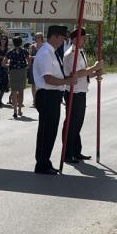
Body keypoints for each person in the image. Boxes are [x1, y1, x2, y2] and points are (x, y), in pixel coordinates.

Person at [31, 25, 83, 175]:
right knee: (47, 131)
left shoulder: (51, 52)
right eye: (62, 38)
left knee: (50, 131)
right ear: (54, 36)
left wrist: (67, 79)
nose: (63, 41)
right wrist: (67, 81)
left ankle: (45, 162)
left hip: (52, 95)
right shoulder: (45, 53)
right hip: (47, 95)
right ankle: (42, 164)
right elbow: (48, 78)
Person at [62, 27, 102, 163]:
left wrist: (95, 73)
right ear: (75, 39)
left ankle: (76, 151)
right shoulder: (71, 54)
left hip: (81, 91)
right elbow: (76, 74)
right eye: (83, 38)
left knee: (77, 124)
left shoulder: (80, 52)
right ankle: (67, 153)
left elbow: (84, 73)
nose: (85, 40)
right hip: (73, 92)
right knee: (71, 124)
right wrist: (94, 68)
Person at [5, 36, 29, 118]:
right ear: (21, 43)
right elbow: (29, 61)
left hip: (13, 72)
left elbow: (3, 63)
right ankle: (19, 109)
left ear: (13, 43)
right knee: (21, 91)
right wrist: (25, 66)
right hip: (22, 71)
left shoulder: (10, 52)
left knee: (14, 91)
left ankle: (15, 110)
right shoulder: (25, 51)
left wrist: (9, 65)